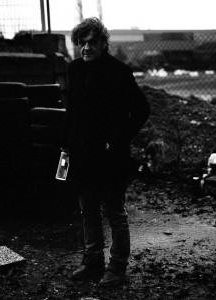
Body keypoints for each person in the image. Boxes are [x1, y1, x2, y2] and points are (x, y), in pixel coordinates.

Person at [61, 17, 150, 287]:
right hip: (82, 154)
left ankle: (117, 267)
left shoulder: (118, 71)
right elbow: (72, 111)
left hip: (110, 156)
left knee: (114, 212)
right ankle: (93, 262)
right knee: (88, 210)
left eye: (91, 42)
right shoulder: (74, 69)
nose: (86, 48)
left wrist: (118, 139)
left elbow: (141, 109)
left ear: (103, 43)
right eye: (81, 43)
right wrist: (66, 146)